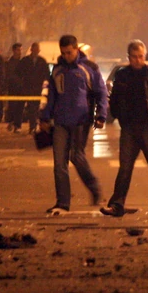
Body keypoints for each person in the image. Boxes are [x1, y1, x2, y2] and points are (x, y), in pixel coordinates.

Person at [100, 40, 148, 217]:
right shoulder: (122, 75)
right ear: (129, 57)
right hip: (129, 128)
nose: (138, 60)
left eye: (141, 56)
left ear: (145, 56)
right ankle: (117, 205)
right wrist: (118, 114)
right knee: (125, 169)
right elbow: (115, 98)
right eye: (134, 57)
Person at [39, 35, 108, 215]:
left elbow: (101, 92)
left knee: (76, 156)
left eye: (69, 52)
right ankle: (62, 203)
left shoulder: (89, 68)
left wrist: (101, 115)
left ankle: (94, 187)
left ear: (76, 49)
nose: (66, 56)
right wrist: (45, 117)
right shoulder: (57, 70)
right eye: (63, 53)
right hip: (60, 121)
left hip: (81, 121)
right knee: (59, 163)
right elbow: (51, 95)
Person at [17, 42, 50, 134]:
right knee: (25, 107)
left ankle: (33, 126)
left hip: (37, 88)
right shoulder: (25, 61)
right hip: (26, 87)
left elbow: (46, 73)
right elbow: (18, 73)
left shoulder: (42, 61)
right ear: (31, 50)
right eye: (34, 50)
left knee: (34, 108)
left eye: (37, 50)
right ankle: (23, 125)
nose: (35, 51)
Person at [4, 43, 24, 132]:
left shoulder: (23, 62)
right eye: (18, 50)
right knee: (12, 106)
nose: (20, 52)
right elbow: (8, 76)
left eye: (20, 50)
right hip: (12, 88)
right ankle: (11, 122)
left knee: (20, 107)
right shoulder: (10, 63)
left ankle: (17, 125)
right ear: (14, 51)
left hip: (21, 89)